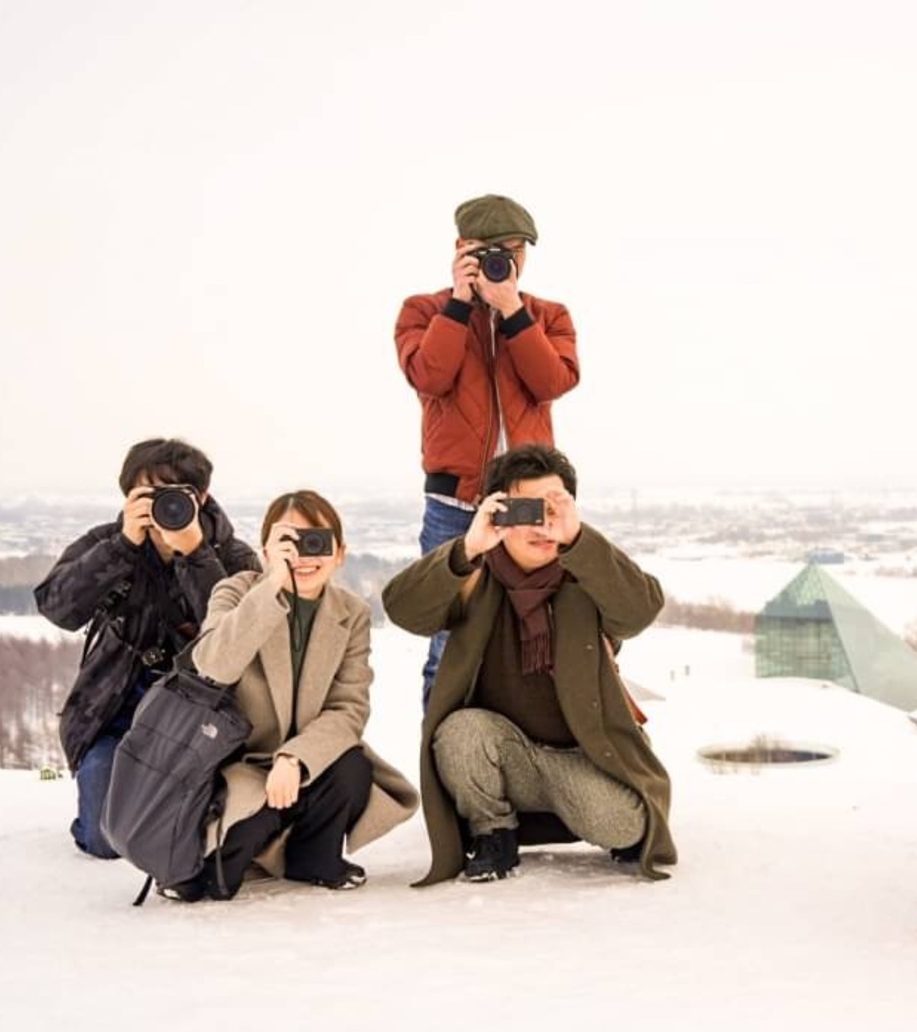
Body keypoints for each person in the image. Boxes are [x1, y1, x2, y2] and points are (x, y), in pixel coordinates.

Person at [382, 445, 675, 885]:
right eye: (526, 509)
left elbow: (640, 610)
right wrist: (467, 547)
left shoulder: (586, 575)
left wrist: (579, 540)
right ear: (497, 512)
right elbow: (403, 609)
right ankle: (493, 831)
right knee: (460, 735)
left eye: (553, 507)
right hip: (501, 753)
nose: (542, 524)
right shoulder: (475, 575)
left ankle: (561, 812)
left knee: (625, 825)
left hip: (583, 756)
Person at [168, 491, 419, 900]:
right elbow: (213, 664)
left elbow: (348, 707)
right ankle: (244, 843)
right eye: (288, 541)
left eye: (316, 541)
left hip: (310, 764)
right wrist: (272, 589)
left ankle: (312, 858)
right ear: (266, 549)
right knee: (213, 880)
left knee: (352, 768)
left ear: (339, 553)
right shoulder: (236, 592)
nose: (303, 554)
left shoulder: (350, 612)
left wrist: (296, 758)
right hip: (239, 764)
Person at [395, 193, 581, 709]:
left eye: (514, 252)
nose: (504, 263)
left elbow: (552, 382)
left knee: (534, 639)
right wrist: (459, 303)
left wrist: (513, 313)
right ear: (461, 250)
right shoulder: (424, 311)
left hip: (530, 506)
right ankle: (443, 771)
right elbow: (429, 376)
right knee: (448, 643)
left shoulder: (548, 316)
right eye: (488, 252)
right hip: (455, 507)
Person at [34, 438, 258, 860]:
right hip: (115, 712)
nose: (164, 505)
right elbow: (56, 608)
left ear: (203, 496)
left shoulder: (232, 555)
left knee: (199, 833)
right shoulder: (107, 542)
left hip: (201, 719)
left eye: (177, 493)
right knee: (104, 841)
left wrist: (194, 554)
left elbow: (239, 635)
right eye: (150, 494)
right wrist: (123, 546)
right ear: (128, 497)